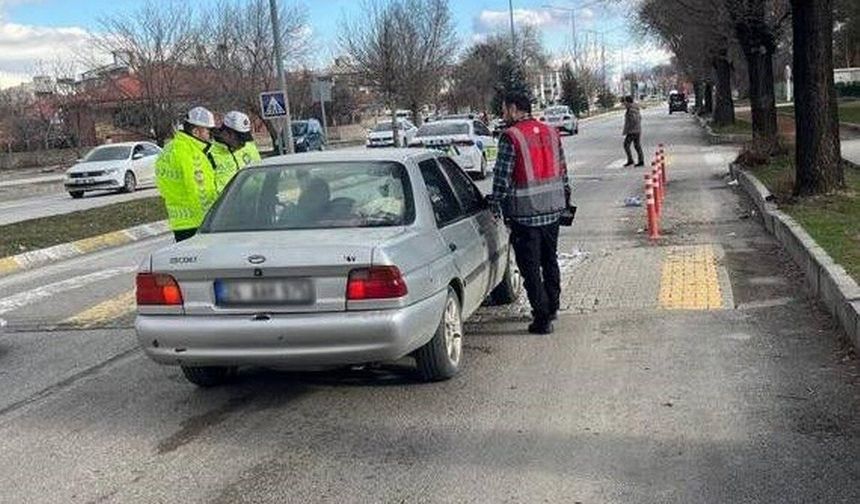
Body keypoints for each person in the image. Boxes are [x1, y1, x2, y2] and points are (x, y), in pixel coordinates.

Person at [490, 90, 572, 335]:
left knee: (529, 267)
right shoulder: (550, 131)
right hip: (553, 210)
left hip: (525, 214)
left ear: (515, 109)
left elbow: (502, 177)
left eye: (504, 110)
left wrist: (495, 202)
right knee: (550, 260)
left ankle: (541, 316)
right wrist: (566, 198)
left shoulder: (511, 137)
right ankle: (553, 305)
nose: (503, 115)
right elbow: (563, 170)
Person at [155, 106, 218, 242]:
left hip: (179, 221)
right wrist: (211, 219)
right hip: (198, 222)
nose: (209, 134)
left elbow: (162, 185)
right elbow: (199, 191)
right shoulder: (192, 154)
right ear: (196, 131)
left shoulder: (169, 149)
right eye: (207, 130)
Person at [210, 110, 261, 193]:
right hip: (225, 202)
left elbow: (260, 174)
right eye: (239, 137)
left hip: (251, 199)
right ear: (226, 132)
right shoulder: (211, 151)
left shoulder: (249, 147)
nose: (243, 142)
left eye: (244, 137)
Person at [622, 96, 644, 167]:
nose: (624, 104)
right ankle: (640, 161)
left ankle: (631, 160)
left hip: (633, 131)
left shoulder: (631, 109)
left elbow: (635, 120)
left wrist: (629, 127)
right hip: (636, 130)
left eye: (625, 102)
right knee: (637, 146)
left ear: (628, 102)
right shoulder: (634, 108)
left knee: (626, 145)